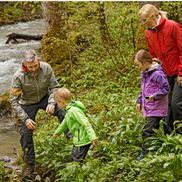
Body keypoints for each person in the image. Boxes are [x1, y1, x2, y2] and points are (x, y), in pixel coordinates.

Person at [10, 49, 65, 179]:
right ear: (24, 64)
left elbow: (54, 87)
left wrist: (51, 102)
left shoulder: (46, 68)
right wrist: (25, 119)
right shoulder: (18, 76)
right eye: (30, 67)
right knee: (25, 133)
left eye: (35, 65)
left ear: (38, 61)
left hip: (45, 98)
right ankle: (29, 165)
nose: (34, 69)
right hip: (27, 103)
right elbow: (13, 100)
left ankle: (76, 143)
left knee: (64, 112)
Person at [138, 4, 182, 134]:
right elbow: (153, 56)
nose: (143, 23)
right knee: (166, 105)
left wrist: (181, 73)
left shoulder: (172, 26)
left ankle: (180, 135)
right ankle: (169, 136)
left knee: (176, 104)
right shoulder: (148, 33)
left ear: (153, 16)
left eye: (144, 19)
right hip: (165, 73)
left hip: (178, 72)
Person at [134, 50, 169, 160]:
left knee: (147, 131)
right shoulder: (144, 74)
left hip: (157, 108)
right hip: (149, 107)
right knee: (154, 130)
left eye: (138, 65)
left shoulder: (157, 74)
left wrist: (155, 96)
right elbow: (143, 90)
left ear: (144, 63)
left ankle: (145, 153)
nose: (137, 67)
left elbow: (166, 88)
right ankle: (155, 150)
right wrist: (139, 101)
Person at [52, 87, 98, 162]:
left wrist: (93, 137)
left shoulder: (73, 111)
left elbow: (86, 123)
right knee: (73, 157)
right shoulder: (69, 110)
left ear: (61, 102)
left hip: (82, 140)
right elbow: (65, 122)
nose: (58, 105)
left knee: (77, 160)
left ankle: (80, 171)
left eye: (57, 103)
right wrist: (57, 133)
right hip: (78, 139)